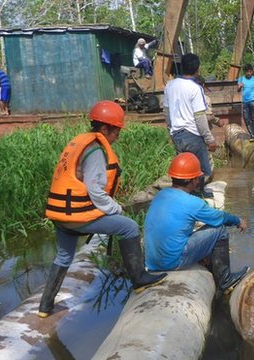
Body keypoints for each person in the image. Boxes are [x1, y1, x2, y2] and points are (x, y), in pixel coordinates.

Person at [38, 100, 167, 318]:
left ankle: (45, 307)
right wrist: (116, 208)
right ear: (105, 128)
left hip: (60, 214)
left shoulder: (79, 142)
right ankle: (139, 280)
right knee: (129, 227)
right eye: (116, 131)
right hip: (78, 215)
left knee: (63, 256)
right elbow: (96, 191)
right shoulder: (96, 151)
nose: (117, 136)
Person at [144, 152, 249, 295]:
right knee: (220, 230)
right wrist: (238, 221)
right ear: (194, 180)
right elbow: (219, 217)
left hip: (152, 263)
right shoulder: (192, 203)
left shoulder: (160, 196)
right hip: (173, 262)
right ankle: (225, 280)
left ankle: (213, 272)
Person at [164, 53, 217, 198]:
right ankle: (199, 195)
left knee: (184, 168)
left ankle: (184, 195)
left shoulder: (170, 85)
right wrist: (209, 139)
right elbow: (200, 117)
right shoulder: (195, 88)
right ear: (197, 69)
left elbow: (167, 112)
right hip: (192, 134)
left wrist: (170, 130)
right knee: (203, 170)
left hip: (177, 134)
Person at [237, 64, 254, 141]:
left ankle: (252, 135)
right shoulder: (241, 79)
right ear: (245, 72)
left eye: (250, 72)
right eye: (247, 72)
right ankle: (252, 135)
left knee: (253, 117)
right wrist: (240, 86)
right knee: (246, 118)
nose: (249, 73)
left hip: (253, 100)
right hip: (245, 101)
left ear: (252, 72)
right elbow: (238, 90)